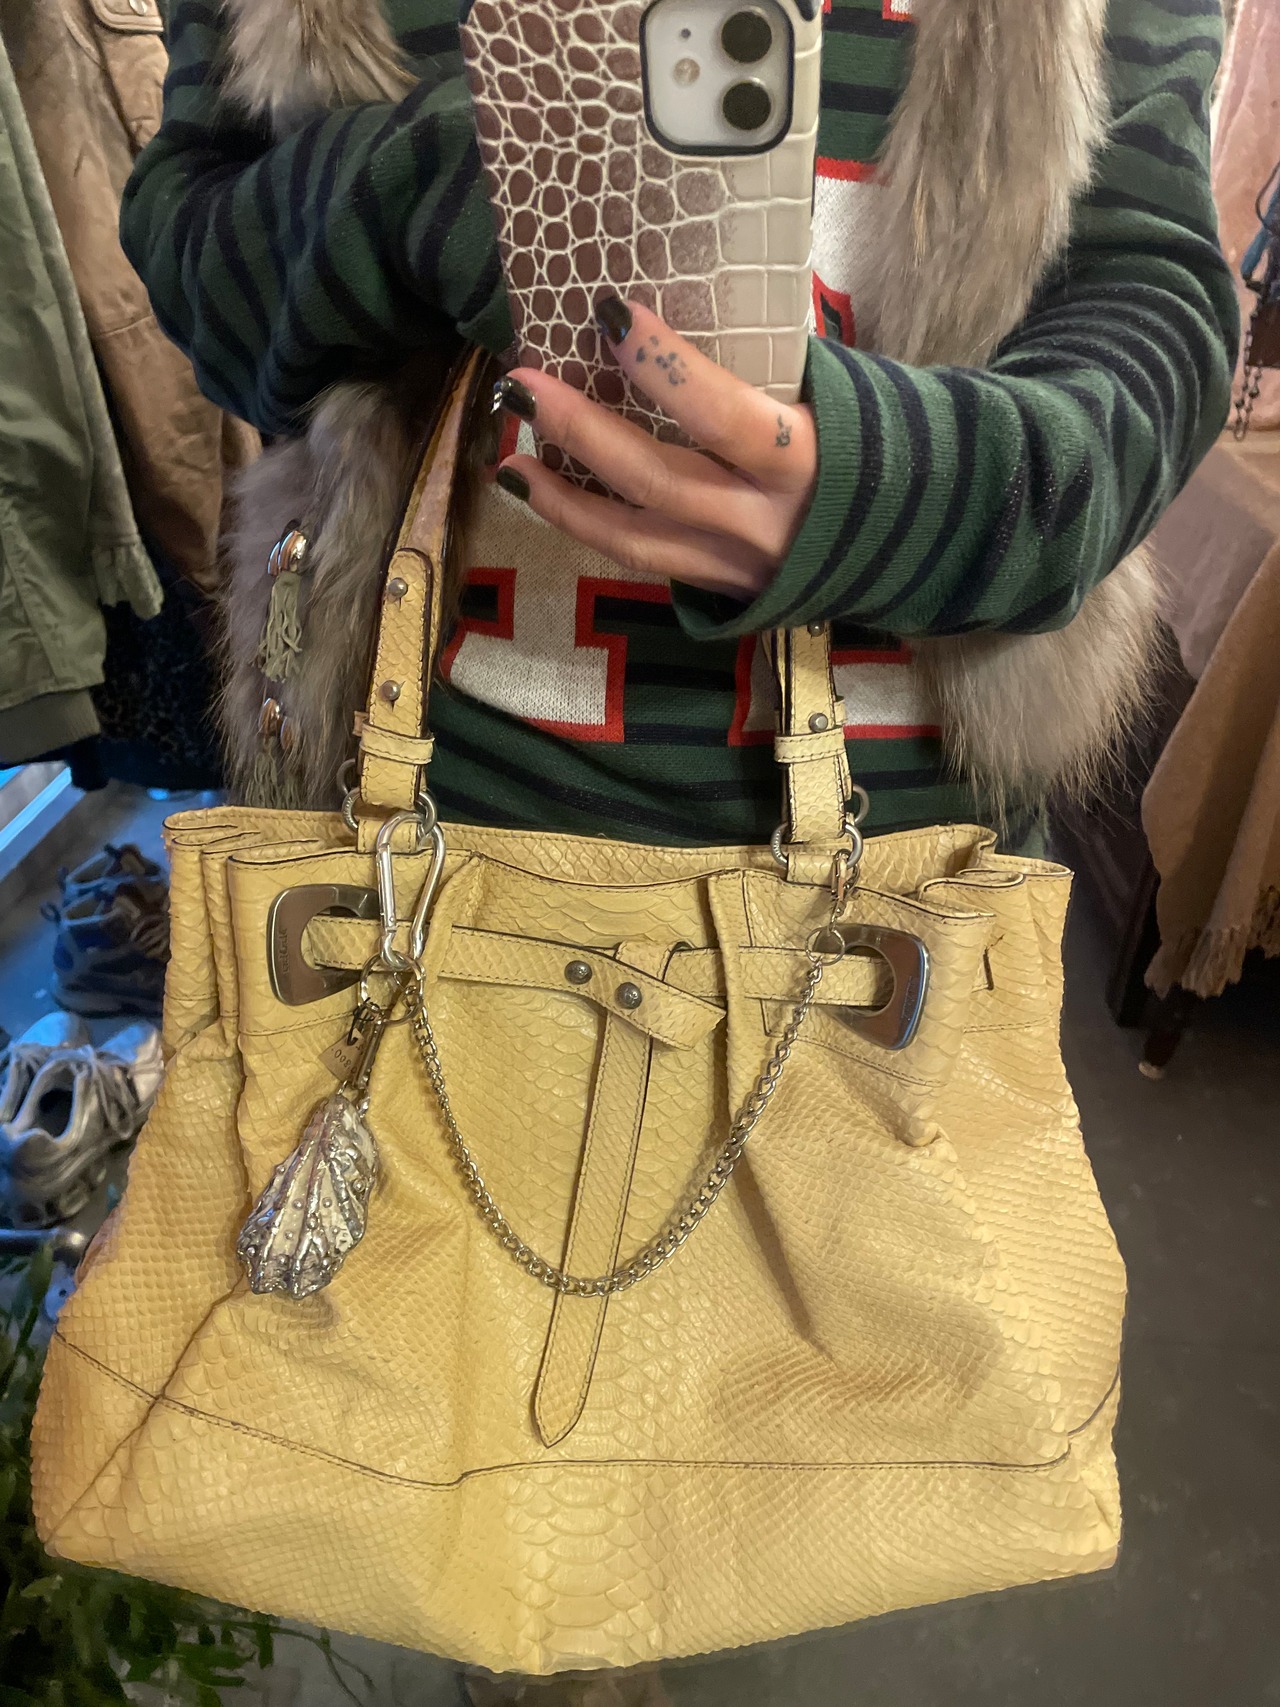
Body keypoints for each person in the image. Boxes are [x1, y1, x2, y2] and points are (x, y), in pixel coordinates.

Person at [119, 0, 1236, 1696]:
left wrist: (888, 487)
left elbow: (1151, 297)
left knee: (762, 1491)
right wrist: (443, 187)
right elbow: (196, 254)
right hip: (420, 857)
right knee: (459, 1493)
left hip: (873, 911)